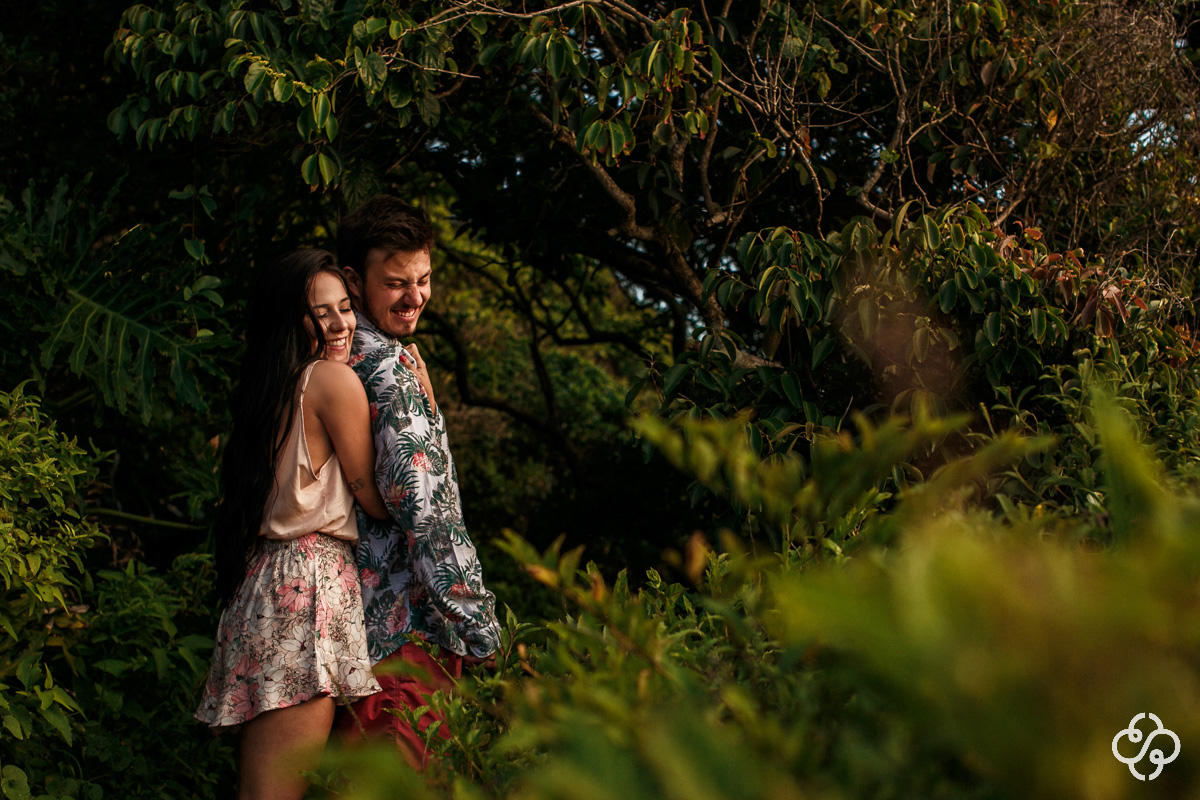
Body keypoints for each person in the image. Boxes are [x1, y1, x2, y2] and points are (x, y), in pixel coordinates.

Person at [195, 249, 389, 800]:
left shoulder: (272, 390)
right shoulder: (330, 381)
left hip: (271, 585)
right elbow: (373, 499)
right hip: (307, 592)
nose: (340, 324)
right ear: (289, 320)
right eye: (319, 312)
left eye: (346, 308)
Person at [333, 195, 501, 767]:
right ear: (353, 281)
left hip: (348, 626)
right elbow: (427, 513)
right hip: (405, 636)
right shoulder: (387, 370)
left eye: (424, 280)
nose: (415, 298)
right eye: (396, 283)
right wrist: (477, 623)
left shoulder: (326, 357)